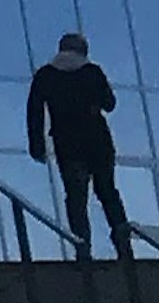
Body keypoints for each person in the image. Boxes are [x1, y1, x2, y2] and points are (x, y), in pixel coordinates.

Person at [28, 33, 127, 257]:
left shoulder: (45, 75)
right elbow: (109, 104)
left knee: (76, 197)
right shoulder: (92, 71)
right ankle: (123, 243)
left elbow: (35, 113)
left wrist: (37, 145)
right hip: (98, 141)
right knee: (107, 191)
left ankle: (82, 247)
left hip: (67, 144)